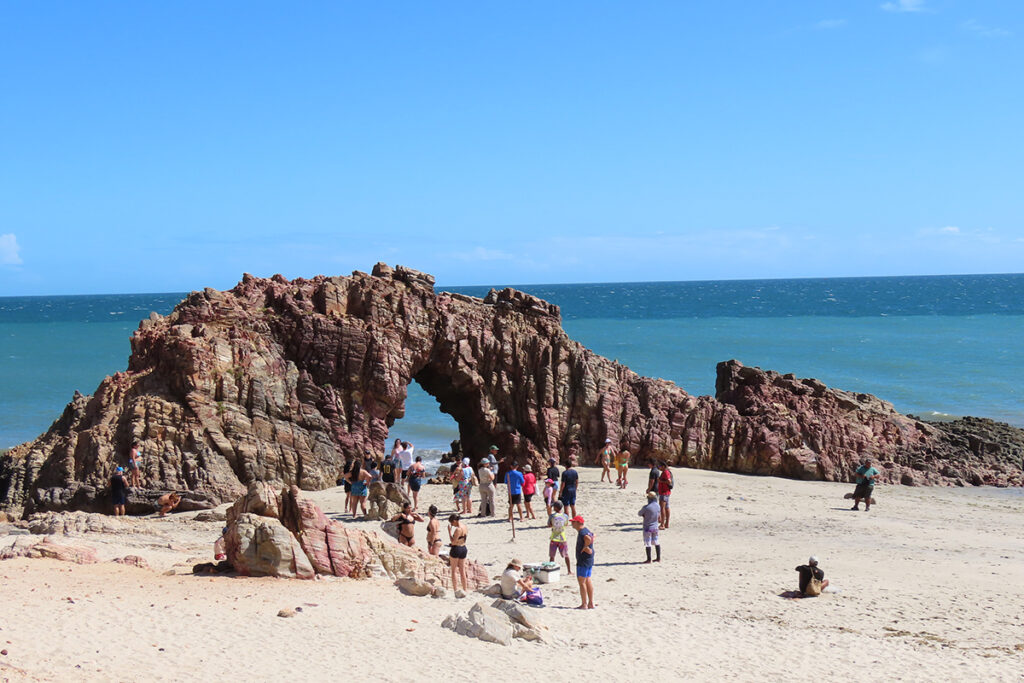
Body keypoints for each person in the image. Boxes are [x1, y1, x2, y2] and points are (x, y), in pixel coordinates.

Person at [571, 515, 595, 609]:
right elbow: (593, 535)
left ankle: (584, 604)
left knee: (582, 582)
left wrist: (586, 547)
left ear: (578, 523)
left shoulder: (582, 532)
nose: (572, 523)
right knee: (587, 580)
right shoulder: (586, 530)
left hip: (583, 560)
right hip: (588, 560)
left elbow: (588, 538)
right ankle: (590, 603)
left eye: (573, 522)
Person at [448, 513, 469, 593]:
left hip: (456, 548)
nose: (452, 525)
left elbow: (453, 542)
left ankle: (455, 589)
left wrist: (449, 533)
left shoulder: (458, 529)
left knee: (453, 570)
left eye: (452, 523)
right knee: (462, 570)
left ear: (454, 521)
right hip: (463, 548)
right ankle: (465, 589)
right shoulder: (465, 527)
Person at [547, 501, 571, 573]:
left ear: (556, 508)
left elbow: (549, 524)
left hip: (554, 537)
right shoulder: (565, 516)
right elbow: (566, 524)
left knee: (552, 556)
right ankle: (569, 570)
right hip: (562, 537)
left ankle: (551, 570)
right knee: (566, 554)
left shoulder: (552, 516)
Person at [639, 492, 662, 563]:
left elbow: (639, 513)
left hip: (647, 527)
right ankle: (658, 558)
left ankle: (649, 559)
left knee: (648, 543)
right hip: (655, 527)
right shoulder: (658, 506)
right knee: (656, 541)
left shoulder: (646, 507)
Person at [657, 461, 673, 529]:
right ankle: (666, 524)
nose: (659, 468)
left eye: (659, 466)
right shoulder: (666, 472)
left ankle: (662, 524)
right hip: (666, 492)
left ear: (663, 466)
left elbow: (669, 481)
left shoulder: (666, 472)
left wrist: (661, 481)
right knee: (666, 507)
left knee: (662, 508)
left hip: (664, 492)